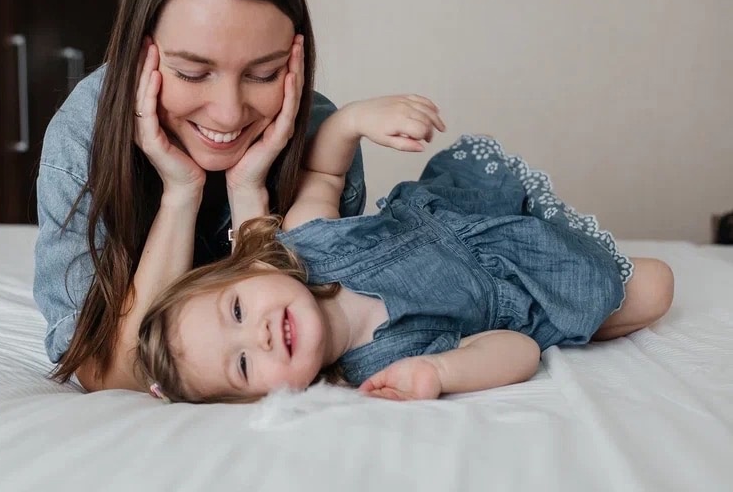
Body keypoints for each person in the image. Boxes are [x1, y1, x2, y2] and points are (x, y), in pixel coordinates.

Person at [136, 99, 675, 402]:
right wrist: (440, 373)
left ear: (247, 270)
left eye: (236, 310)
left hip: (468, 215)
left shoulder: (309, 244)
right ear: (260, 399)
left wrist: (354, 122)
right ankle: (577, 290)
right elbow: (517, 348)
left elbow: (325, 173)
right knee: (655, 287)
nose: (260, 335)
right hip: (522, 290)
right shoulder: (380, 365)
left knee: (613, 270)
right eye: (244, 364)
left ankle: (553, 234)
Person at [33, 0, 366, 392]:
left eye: (264, 73)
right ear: (139, 54)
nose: (228, 114)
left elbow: (308, 345)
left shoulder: (321, 142)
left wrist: (249, 194)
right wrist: (180, 195)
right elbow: (109, 373)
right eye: (192, 73)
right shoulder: (82, 139)